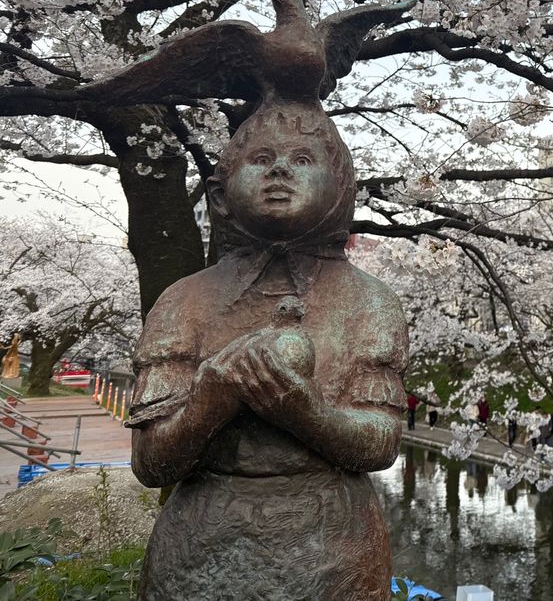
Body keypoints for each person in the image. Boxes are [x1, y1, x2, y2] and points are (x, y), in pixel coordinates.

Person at [128, 101, 406, 600]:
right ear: (220, 192)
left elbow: (381, 442)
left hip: (332, 540)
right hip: (200, 539)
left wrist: (305, 413)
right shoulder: (184, 300)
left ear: (342, 189)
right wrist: (211, 397)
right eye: (260, 159)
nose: (279, 169)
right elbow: (152, 464)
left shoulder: (370, 300)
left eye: (303, 159)